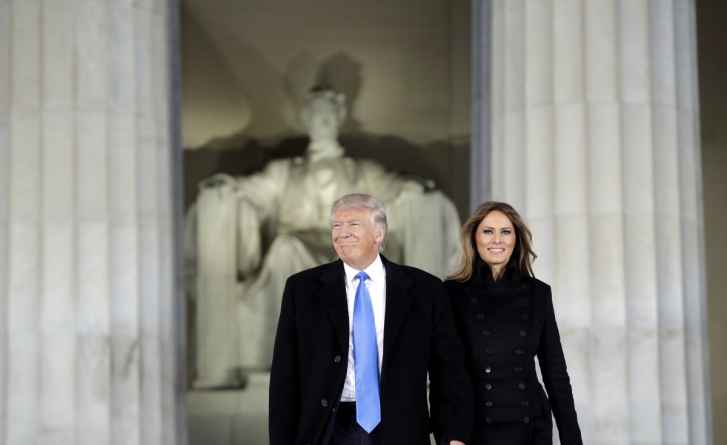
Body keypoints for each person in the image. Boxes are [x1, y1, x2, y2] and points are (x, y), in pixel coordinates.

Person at [185, 86, 461, 388]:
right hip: (296, 249)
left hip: (351, 252)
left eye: (329, 112)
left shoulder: (363, 171)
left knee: (375, 245)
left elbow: (396, 187)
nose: (323, 118)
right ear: (306, 120)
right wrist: (225, 186)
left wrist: (416, 187)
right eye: (316, 113)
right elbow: (250, 190)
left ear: (339, 118)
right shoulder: (284, 172)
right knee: (285, 247)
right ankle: (292, 355)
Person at [269, 193, 472, 445]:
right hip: (327, 430)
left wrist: (454, 436)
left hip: (401, 429)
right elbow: (284, 377)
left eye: (353, 224)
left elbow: (447, 371)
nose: (342, 233)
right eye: (336, 226)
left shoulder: (424, 289)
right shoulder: (302, 289)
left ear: (379, 234)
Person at [444, 201, 582, 445]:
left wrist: (572, 439)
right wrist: (450, 435)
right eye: (488, 231)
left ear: (516, 239)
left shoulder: (538, 294)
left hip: (530, 427)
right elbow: (445, 372)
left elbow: (555, 373)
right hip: (475, 429)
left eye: (505, 232)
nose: (497, 240)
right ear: (474, 238)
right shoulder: (452, 293)